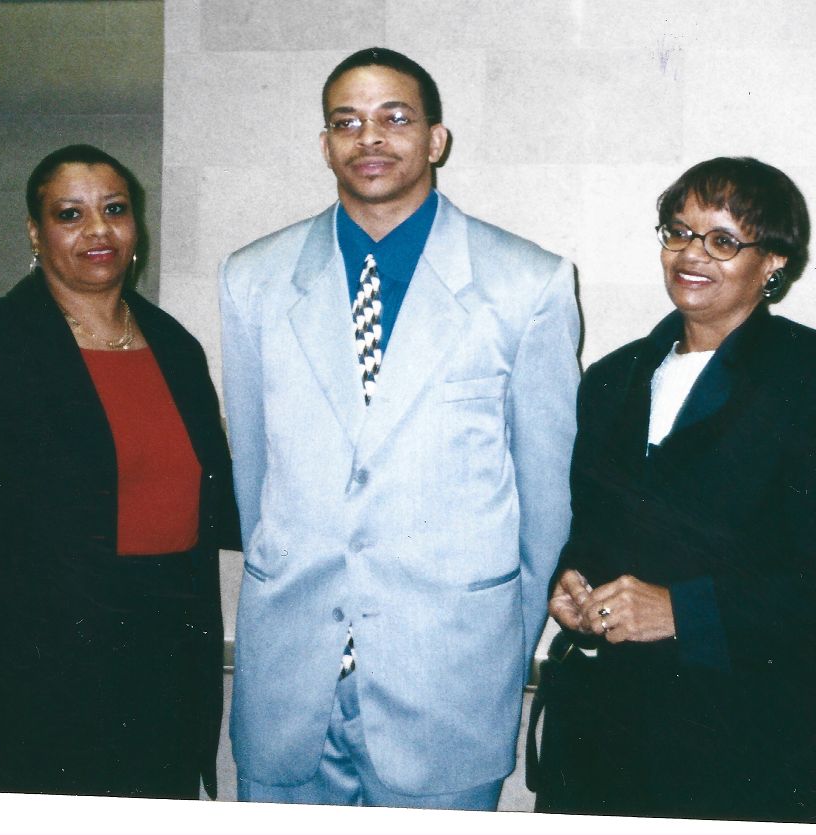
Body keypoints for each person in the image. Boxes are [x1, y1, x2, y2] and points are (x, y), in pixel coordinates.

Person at [219, 47, 581, 810]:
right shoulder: (252, 278)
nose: (370, 138)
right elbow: (254, 477)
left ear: (436, 139)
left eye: (395, 117)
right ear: (325, 146)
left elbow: (548, 502)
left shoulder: (527, 282)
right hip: (290, 671)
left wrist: (497, 652)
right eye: (347, 122)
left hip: (447, 675)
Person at [0, 144, 238, 798]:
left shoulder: (175, 348)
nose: (98, 230)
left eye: (115, 210)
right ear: (36, 234)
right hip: (21, 678)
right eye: (70, 214)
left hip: (156, 678)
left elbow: (212, 502)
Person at [544, 157, 816, 824]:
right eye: (679, 232)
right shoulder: (611, 378)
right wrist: (572, 590)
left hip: (767, 744)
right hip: (611, 741)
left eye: (723, 240)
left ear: (774, 263)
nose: (691, 254)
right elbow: (591, 532)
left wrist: (683, 611)